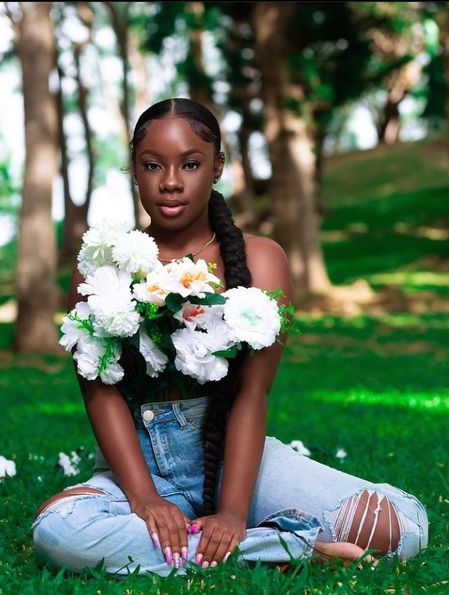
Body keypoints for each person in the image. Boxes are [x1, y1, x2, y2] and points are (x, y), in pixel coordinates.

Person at [32, 98, 428, 577]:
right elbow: (99, 392)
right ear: (133, 169)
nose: (171, 181)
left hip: (236, 459)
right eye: (152, 165)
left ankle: (222, 538)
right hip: (139, 463)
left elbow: (250, 394)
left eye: (191, 164)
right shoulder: (99, 268)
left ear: (217, 166)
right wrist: (146, 499)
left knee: (401, 529)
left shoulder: (261, 259)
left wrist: (234, 514)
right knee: (59, 532)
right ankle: (289, 548)